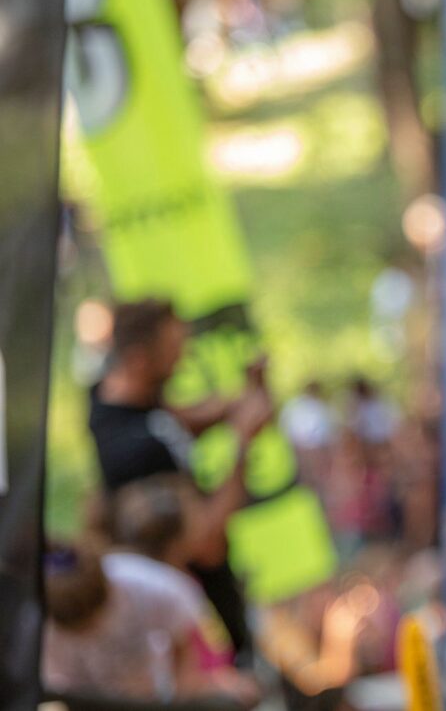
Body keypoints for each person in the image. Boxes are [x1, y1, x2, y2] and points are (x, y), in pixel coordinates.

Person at [88, 298, 273, 664]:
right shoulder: (136, 452)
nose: (182, 359)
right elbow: (204, 541)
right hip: (199, 630)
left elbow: (181, 420)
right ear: (141, 359)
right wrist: (242, 445)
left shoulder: (117, 400)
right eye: (173, 350)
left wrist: (245, 398)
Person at [42, 540, 258, 706]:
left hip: (165, 688)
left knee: (237, 692)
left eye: (95, 616)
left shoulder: (142, 582)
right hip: (104, 703)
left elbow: (191, 636)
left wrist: (185, 693)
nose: (96, 628)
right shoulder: (42, 632)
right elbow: (65, 694)